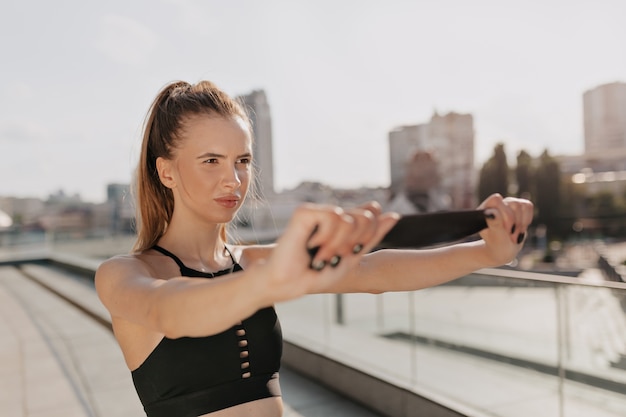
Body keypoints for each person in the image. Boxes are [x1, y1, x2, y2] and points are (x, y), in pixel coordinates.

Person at [94, 80, 534, 417]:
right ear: (166, 171)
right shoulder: (125, 275)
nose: (233, 180)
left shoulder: (253, 263)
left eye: (242, 161)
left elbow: (374, 272)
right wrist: (277, 276)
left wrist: (486, 253)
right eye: (211, 161)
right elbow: (172, 312)